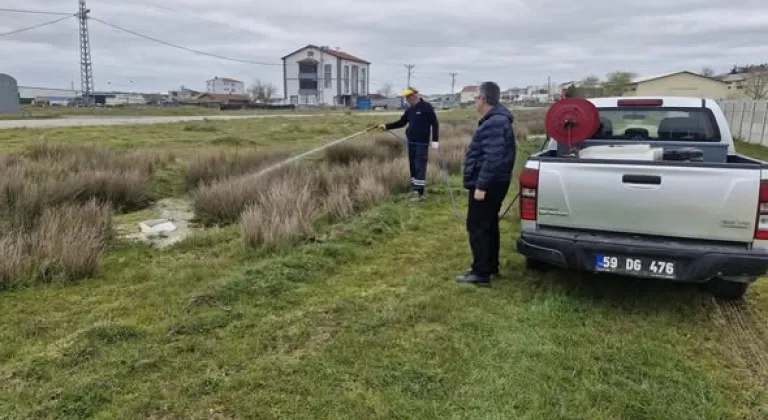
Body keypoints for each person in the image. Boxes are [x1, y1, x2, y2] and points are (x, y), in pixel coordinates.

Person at [456, 81, 516, 287]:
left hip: (489, 184)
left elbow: (492, 158)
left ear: (483, 99)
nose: (475, 101)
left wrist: (481, 186)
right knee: (489, 224)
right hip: (495, 182)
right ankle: (490, 266)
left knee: (478, 226)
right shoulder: (496, 120)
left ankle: (480, 273)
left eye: (476, 97)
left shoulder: (494, 123)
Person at [378, 87, 439, 201]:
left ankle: (420, 193)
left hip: (422, 142)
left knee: (420, 165)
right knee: (413, 165)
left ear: (415, 95)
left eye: (409, 96)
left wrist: (435, 140)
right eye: (406, 97)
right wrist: (386, 126)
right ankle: (415, 189)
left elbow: (435, 123)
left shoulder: (427, 107)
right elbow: (401, 122)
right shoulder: (409, 110)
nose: (407, 99)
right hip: (411, 141)